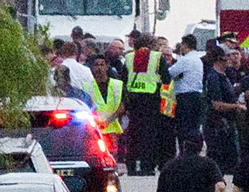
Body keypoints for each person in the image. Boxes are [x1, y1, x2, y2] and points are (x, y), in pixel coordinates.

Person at [124, 34, 169, 176]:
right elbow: (166, 78)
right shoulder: (156, 57)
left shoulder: (129, 57)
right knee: (149, 134)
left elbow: (124, 79)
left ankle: (131, 166)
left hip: (134, 100)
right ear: (151, 43)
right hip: (151, 99)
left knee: (134, 133)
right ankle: (147, 166)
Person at [204, 45, 243, 174]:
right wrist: (237, 106)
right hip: (218, 125)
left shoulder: (224, 75)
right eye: (227, 57)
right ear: (220, 59)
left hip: (227, 125)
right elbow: (217, 104)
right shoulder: (214, 78)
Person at [167, 34, 205, 147]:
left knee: (183, 128)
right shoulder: (197, 60)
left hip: (185, 98)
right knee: (193, 127)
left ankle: (184, 151)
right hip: (196, 96)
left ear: (185, 45)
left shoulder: (186, 60)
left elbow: (170, 73)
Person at [87, 55, 124, 152]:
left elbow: (122, 106)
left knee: (111, 156)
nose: (99, 68)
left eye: (102, 65)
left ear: (107, 67)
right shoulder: (87, 86)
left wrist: (108, 121)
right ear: (92, 67)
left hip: (112, 128)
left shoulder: (117, 85)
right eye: (96, 65)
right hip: (94, 129)